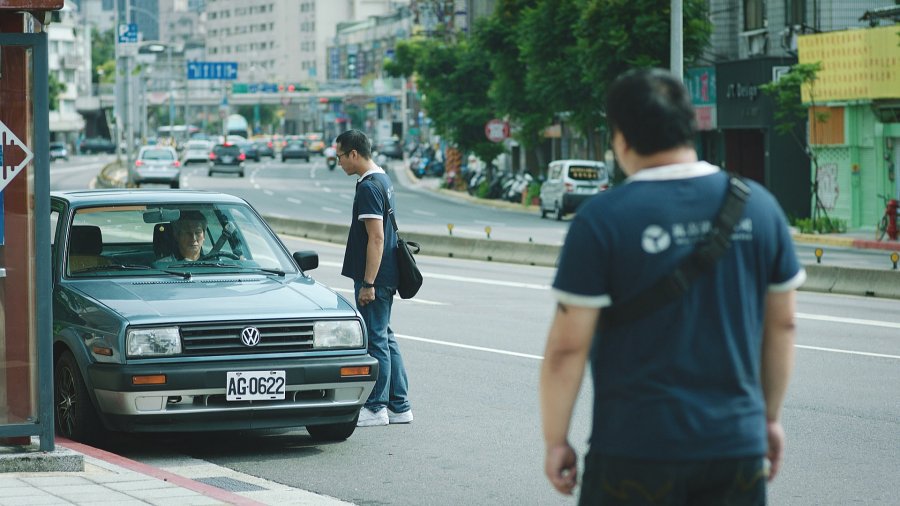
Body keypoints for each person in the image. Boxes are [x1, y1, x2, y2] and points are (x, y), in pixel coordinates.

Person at [540, 68, 805, 505]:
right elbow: (784, 325)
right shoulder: (760, 207)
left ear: (621, 138)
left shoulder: (601, 220)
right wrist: (770, 419)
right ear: (690, 126)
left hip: (633, 452)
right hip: (735, 449)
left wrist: (556, 440)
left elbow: (567, 349)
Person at [336, 129, 413, 427]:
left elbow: (376, 238)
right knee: (385, 337)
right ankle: (399, 405)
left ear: (354, 153)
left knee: (376, 339)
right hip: (387, 273)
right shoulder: (383, 179)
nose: (339, 162)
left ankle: (377, 406)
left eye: (341, 156)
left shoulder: (369, 187)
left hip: (376, 277)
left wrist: (368, 283)